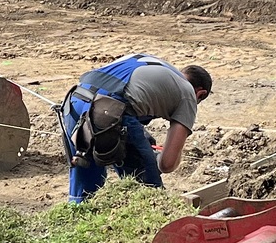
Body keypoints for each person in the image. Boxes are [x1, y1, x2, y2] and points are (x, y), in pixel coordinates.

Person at [61, 55, 212, 203]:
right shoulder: (188, 94)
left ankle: (77, 210)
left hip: (75, 102)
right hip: (108, 112)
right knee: (148, 193)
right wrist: (155, 159)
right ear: (200, 93)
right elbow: (167, 164)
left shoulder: (155, 65)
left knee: (85, 184)